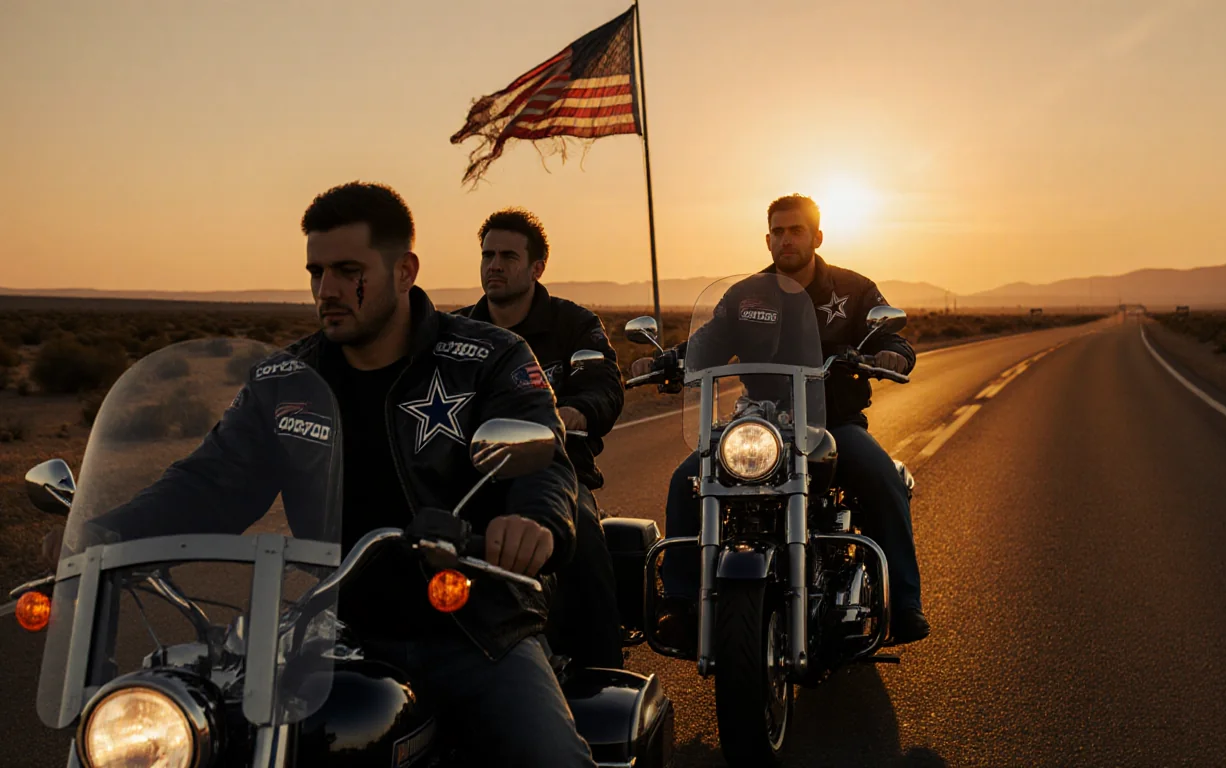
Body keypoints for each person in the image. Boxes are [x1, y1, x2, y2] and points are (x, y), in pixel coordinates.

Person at [45, 182, 598, 767]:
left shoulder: (491, 357)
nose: (326, 290)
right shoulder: (287, 380)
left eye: (347, 269)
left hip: (473, 627)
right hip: (334, 628)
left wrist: (533, 522)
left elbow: (546, 463)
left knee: (552, 755)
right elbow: (208, 483)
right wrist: (101, 537)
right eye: (316, 271)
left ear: (404, 269)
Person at [630, 193, 930, 647]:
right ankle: (679, 601)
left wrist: (893, 354)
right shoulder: (746, 294)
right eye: (778, 232)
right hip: (759, 423)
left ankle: (904, 604)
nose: (786, 239)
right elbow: (708, 343)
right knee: (688, 480)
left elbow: (889, 336)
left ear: (816, 237)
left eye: (796, 231)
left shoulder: (852, 290)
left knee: (882, 477)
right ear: (767, 239)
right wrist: (667, 361)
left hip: (834, 423)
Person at [454, 208, 626, 670]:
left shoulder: (573, 324)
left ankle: (602, 675)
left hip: (558, 474)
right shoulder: (454, 332)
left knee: (583, 540)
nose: (494, 265)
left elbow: (605, 386)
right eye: (487, 254)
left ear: (536, 267)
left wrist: (573, 412)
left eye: (508, 255)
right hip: (470, 476)